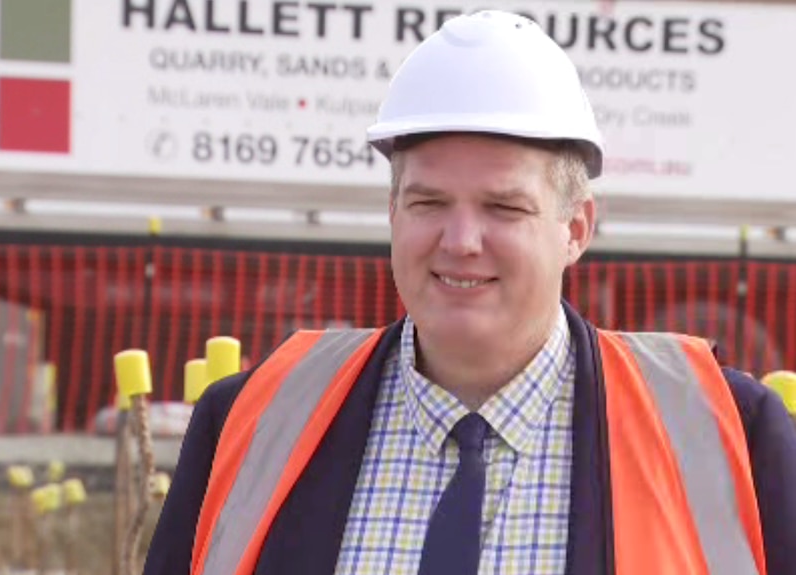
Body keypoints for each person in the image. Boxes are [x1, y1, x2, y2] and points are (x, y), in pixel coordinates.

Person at [144, 10, 796, 575]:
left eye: (503, 207)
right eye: (429, 201)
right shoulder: (248, 424)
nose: (460, 239)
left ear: (575, 229)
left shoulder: (733, 434)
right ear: (393, 212)